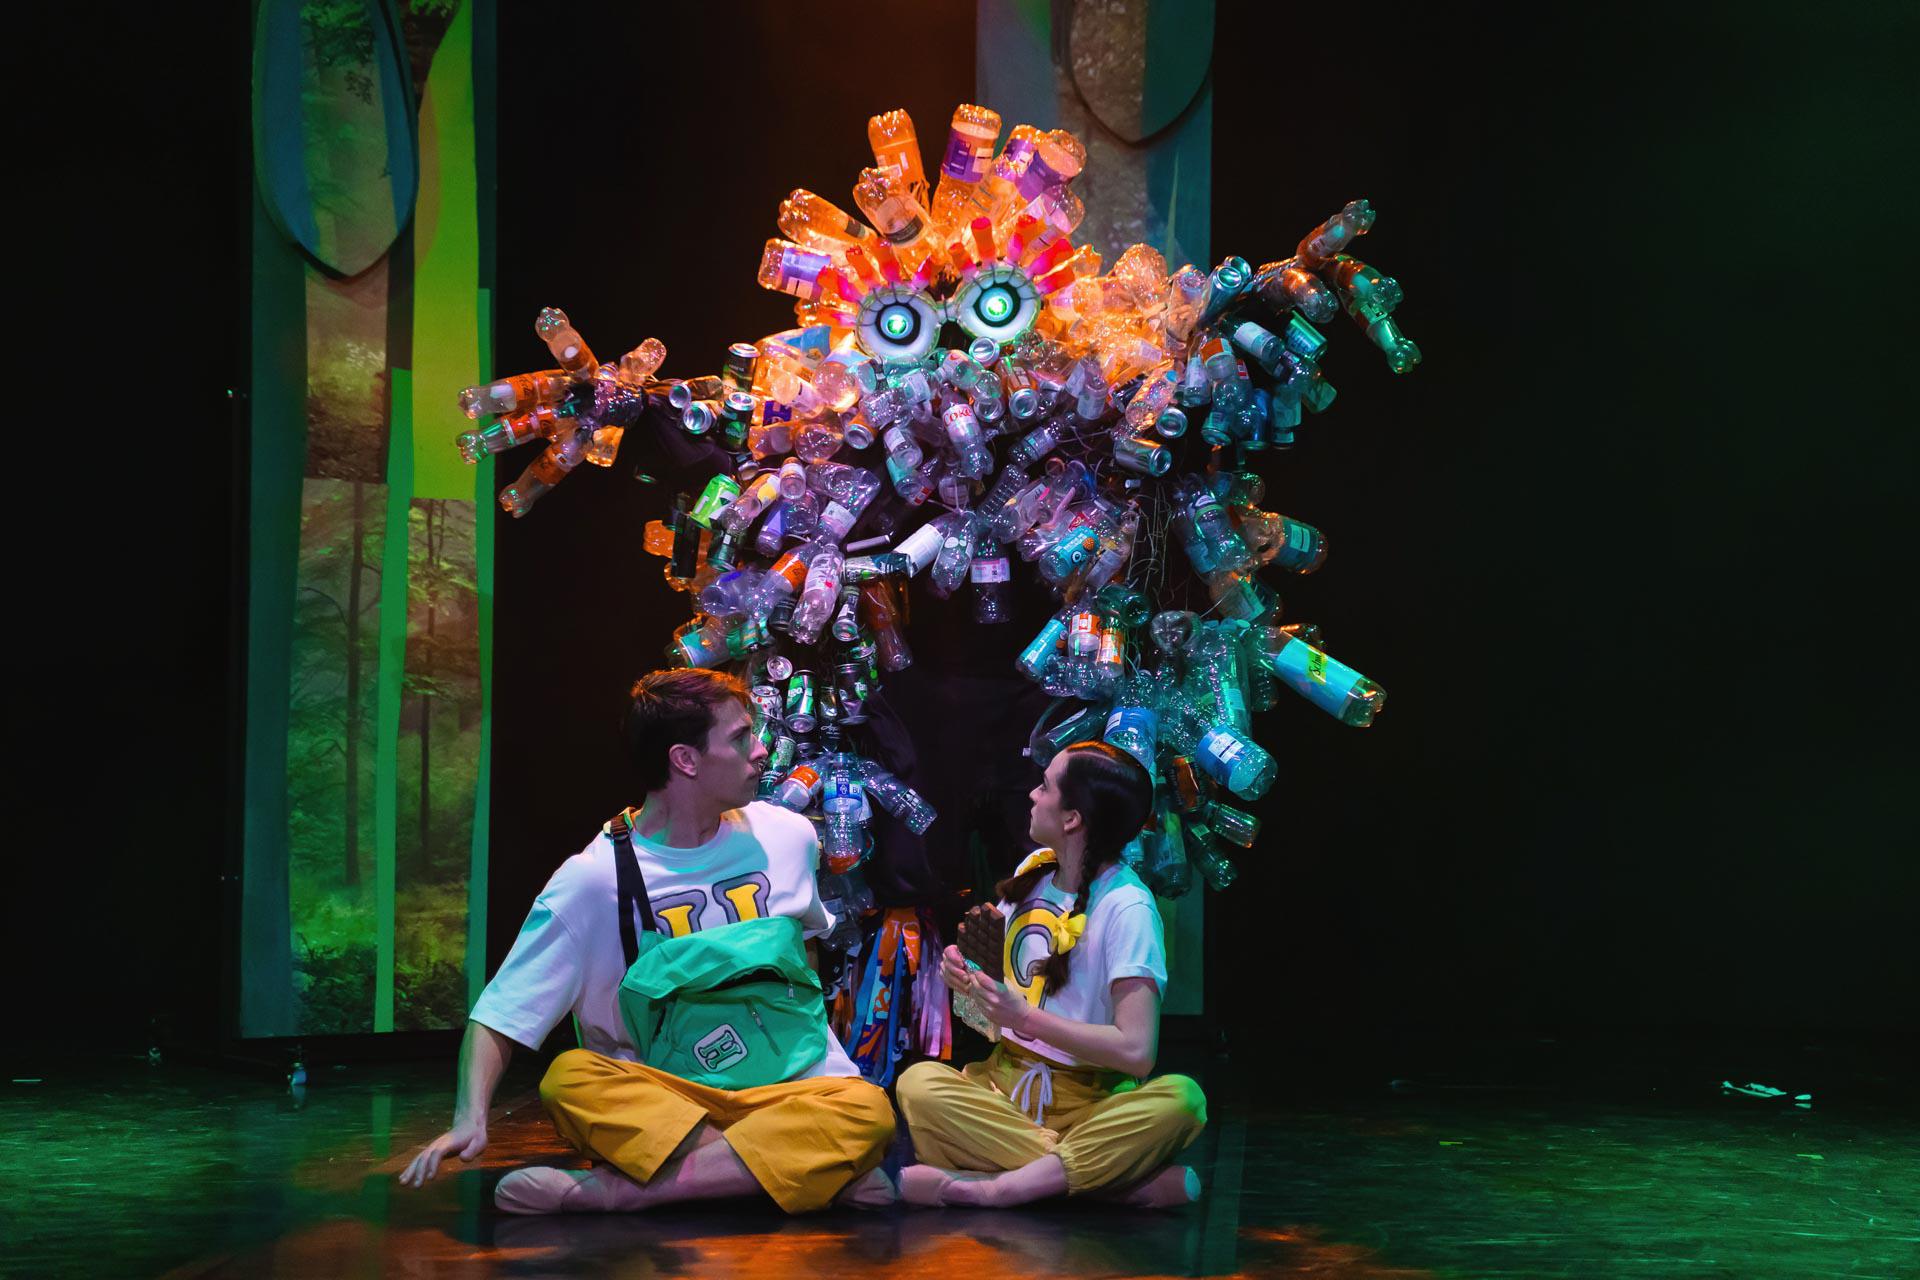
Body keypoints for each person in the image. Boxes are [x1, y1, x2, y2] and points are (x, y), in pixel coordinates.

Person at [397, 667, 896, 1214]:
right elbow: (502, 1012)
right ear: (685, 760)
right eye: (740, 738)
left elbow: (799, 967)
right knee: (570, 1081)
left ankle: (627, 1193)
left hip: (787, 1088)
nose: (761, 751)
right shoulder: (594, 880)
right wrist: (469, 1118)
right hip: (671, 1098)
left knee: (866, 1110)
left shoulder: (788, 837)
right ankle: (796, 1170)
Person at [895, 740, 1208, 1208]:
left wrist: (1025, 1019)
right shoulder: (1034, 873)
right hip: (1003, 1089)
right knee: (917, 1084)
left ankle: (999, 1188)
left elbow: (1138, 1053)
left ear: (1072, 818)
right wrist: (966, 980)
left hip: (1091, 1105)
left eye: (1044, 787)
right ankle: (1106, 1184)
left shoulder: (1128, 907)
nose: (1032, 797)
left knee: (1184, 1100)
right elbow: (992, 1014)